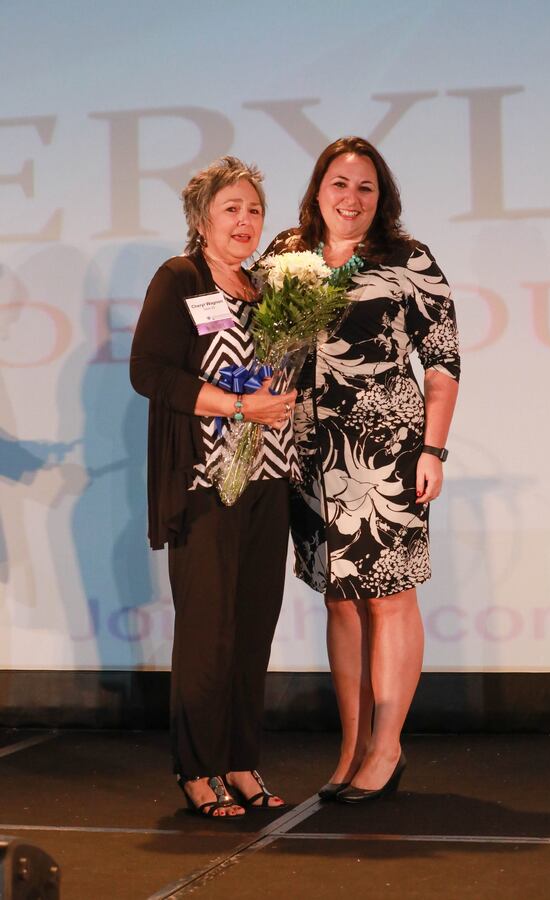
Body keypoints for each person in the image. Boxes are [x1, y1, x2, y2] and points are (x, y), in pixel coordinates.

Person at [263, 137, 460, 803]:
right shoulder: (287, 256)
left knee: (390, 596)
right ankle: (349, 746)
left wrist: (433, 450)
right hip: (307, 456)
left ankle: (387, 746)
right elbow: (258, 345)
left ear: (382, 198)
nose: (351, 197)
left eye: (366, 187)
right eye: (339, 183)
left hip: (386, 454)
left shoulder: (408, 260)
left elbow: (443, 363)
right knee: (340, 599)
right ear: (318, 188)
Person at [130, 157, 297, 819]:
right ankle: (198, 771)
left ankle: (240, 760)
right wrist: (235, 408)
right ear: (201, 219)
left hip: (269, 477)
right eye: (231, 208)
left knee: (254, 626)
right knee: (209, 628)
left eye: (253, 209)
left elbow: (277, 372)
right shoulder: (180, 279)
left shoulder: (270, 288)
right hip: (204, 480)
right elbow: (149, 373)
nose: (244, 220)